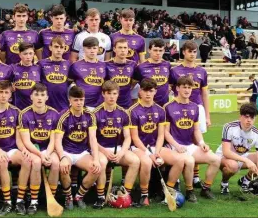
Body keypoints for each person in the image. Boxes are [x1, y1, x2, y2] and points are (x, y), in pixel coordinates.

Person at [164, 76, 221, 201]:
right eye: (184, 87)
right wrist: (177, 146)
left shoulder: (195, 107)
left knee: (216, 159)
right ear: (177, 88)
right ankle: (190, 190)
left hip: (189, 146)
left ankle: (206, 189)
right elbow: (166, 133)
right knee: (189, 161)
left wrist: (201, 143)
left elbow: (196, 130)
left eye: (189, 88)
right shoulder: (168, 107)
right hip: (174, 146)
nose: (187, 90)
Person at [0, 81, 35, 215]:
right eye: (0, 92)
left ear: (10, 95)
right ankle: (7, 201)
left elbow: (18, 139)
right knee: (2, 161)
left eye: (6, 92)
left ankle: (19, 200)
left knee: (27, 160)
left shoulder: (16, 112)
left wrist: (24, 150)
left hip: (12, 148)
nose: (3, 95)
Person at [92, 80, 140, 208]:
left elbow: (128, 137)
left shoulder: (123, 113)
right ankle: (101, 197)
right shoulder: (95, 113)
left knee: (135, 161)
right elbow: (91, 140)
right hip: (100, 149)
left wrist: (121, 153)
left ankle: (125, 194)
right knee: (102, 163)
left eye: (114, 93)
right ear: (103, 94)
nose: (112, 96)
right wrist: (105, 151)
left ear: (118, 95)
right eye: (109, 93)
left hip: (118, 149)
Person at [170, 41, 211, 187]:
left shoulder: (201, 71)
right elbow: (170, 90)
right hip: (179, 108)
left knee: (196, 141)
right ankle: (179, 174)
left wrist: (207, 115)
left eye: (194, 52)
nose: (192, 54)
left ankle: (195, 177)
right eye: (190, 51)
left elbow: (204, 94)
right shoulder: (175, 71)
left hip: (196, 108)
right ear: (184, 52)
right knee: (179, 139)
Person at [56, 86, 102, 210]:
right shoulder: (63, 116)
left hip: (82, 152)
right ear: (70, 100)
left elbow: (93, 139)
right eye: (76, 100)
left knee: (96, 168)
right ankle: (68, 197)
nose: (79, 103)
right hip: (66, 151)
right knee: (64, 168)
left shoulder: (90, 116)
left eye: (81, 100)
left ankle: (79, 196)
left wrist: (96, 158)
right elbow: (58, 140)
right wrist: (63, 157)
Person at [217, 103, 258, 202]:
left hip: (242, 156)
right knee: (233, 166)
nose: (249, 120)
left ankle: (245, 181)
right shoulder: (229, 127)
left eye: (252, 117)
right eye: (246, 116)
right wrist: (246, 161)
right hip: (223, 156)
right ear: (240, 116)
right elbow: (226, 152)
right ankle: (224, 183)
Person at [18, 83, 61, 213]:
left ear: (47, 97)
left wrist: (47, 154)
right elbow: (26, 141)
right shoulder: (24, 114)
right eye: (36, 95)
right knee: (36, 163)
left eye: (42, 95)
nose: (39, 98)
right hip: (33, 149)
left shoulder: (54, 114)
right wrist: (40, 155)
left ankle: (51, 197)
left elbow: (53, 139)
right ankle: (34, 201)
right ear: (31, 96)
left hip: (48, 148)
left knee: (55, 163)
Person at [128, 78, 166, 206]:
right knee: (146, 161)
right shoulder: (133, 111)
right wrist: (148, 153)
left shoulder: (160, 110)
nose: (148, 94)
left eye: (151, 91)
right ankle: (144, 194)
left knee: (179, 159)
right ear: (140, 92)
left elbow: (161, 135)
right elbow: (135, 138)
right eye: (145, 90)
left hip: (155, 146)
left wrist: (157, 152)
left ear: (155, 91)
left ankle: (169, 190)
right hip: (138, 147)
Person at [69, 37, 107, 111]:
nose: (92, 51)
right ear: (83, 49)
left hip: (99, 106)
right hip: (82, 106)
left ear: (98, 49)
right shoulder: (76, 65)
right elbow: (68, 84)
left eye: (94, 48)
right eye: (89, 48)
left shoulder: (104, 65)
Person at [134, 39, 171, 107]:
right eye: (155, 50)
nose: (158, 53)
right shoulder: (141, 67)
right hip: (146, 106)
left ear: (164, 51)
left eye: (160, 50)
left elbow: (169, 83)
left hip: (164, 105)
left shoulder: (167, 65)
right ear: (149, 50)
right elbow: (133, 85)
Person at [38, 36, 71, 112]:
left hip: (63, 105)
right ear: (50, 47)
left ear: (64, 49)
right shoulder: (41, 63)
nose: (59, 50)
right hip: (45, 105)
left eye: (61, 47)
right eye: (56, 47)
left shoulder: (68, 64)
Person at [105, 38, 137, 109]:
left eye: (125, 47)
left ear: (128, 49)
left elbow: (135, 82)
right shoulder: (106, 65)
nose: (122, 50)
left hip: (127, 104)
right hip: (110, 105)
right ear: (114, 49)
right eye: (120, 47)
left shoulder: (133, 65)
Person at [11, 42, 41, 110]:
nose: (28, 56)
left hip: (34, 109)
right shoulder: (12, 68)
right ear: (20, 55)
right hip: (17, 109)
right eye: (25, 54)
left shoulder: (39, 68)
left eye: (30, 53)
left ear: (34, 54)